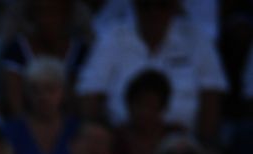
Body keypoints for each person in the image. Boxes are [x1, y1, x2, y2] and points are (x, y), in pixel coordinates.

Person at [76, 0, 225, 142]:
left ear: (174, 6)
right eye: (146, 5)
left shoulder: (197, 38)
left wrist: (203, 145)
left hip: (181, 149)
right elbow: (90, 95)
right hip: (121, 145)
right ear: (135, 5)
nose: (154, 12)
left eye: (162, 4)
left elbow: (211, 95)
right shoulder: (112, 36)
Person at [4, 57, 76, 154]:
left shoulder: (77, 130)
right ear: (26, 93)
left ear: (64, 92)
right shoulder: (11, 131)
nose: (43, 96)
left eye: (51, 89)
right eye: (35, 90)